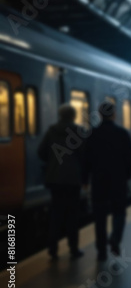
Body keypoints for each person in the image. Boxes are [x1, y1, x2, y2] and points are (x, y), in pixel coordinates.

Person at [83, 102, 131, 261]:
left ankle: (101, 251)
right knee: (119, 212)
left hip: (99, 182)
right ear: (114, 114)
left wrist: (85, 179)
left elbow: (86, 159)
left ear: (99, 115)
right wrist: (126, 175)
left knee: (100, 216)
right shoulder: (122, 133)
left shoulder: (92, 134)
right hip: (118, 181)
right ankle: (115, 239)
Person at [37, 104, 85, 261]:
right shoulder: (78, 131)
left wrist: (52, 162)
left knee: (55, 214)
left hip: (55, 179)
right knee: (72, 215)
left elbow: (41, 152)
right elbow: (85, 156)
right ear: (73, 116)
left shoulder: (51, 131)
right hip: (73, 180)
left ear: (60, 115)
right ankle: (73, 249)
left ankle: (52, 249)